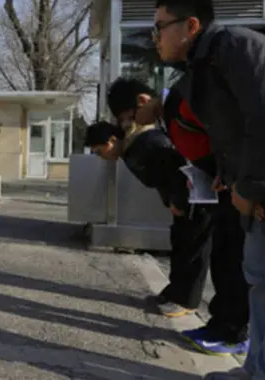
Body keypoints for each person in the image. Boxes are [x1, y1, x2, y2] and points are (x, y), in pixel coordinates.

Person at [143, 0, 265, 379]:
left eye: (161, 26)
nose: (155, 37)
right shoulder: (203, 66)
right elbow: (231, 133)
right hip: (249, 190)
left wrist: (250, 188)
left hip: (261, 192)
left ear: (191, 25)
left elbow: (264, 120)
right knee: (260, 281)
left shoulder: (233, 48)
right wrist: (227, 177)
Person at [109, 76, 250, 356]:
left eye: (131, 116)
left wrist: (228, 174)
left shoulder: (184, 103)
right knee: (222, 257)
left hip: (229, 187)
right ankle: (220, 325)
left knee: (231, 260)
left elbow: (223, 136)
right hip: (214, 187)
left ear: (142, 100)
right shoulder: (170, 112)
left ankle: (232, 333)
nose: (132, 124)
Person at [85, 79, 207, 322]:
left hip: (194, 200)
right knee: (181, 245)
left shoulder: (149, 140)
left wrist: (180, 201)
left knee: (193, 249)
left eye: (126, 116)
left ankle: (187, 300)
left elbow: (177, 170)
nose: (127, 123)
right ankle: (175, 292)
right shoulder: (137, 143)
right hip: (181, 202)